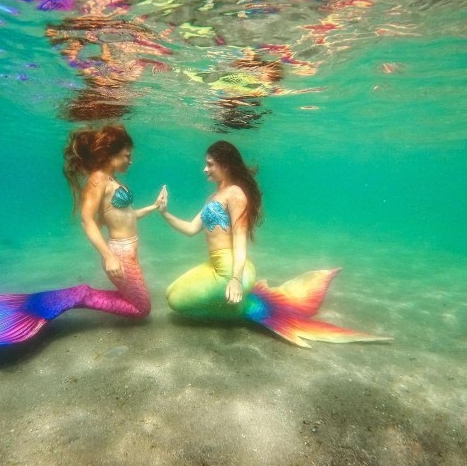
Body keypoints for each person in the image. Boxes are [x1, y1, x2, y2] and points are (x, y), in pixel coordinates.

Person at [0, 125, 165, 347]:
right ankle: (82, 294)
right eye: (126, 156)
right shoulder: (98, 179)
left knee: (139, 305)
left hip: (128, 250)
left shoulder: (111, 179)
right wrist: (108, 256)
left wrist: (153, 208)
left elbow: (126, 215)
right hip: (119, 252)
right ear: (110, 155)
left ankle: (81, 294)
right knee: (142, 310)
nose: (130, 161)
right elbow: (88, 220)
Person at [158, 140, 391, 347]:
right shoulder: (213, 198)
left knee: (177, 302)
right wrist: (165, 213)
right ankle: (240, 304)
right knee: (170, 294)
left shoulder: (236, 194)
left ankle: (241, 307)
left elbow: (240, 241)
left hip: (232, 269)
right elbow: (190, 229)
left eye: (210, 164)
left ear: (225, 165)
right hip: (215, 266)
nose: (205, 169)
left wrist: (236, 280)